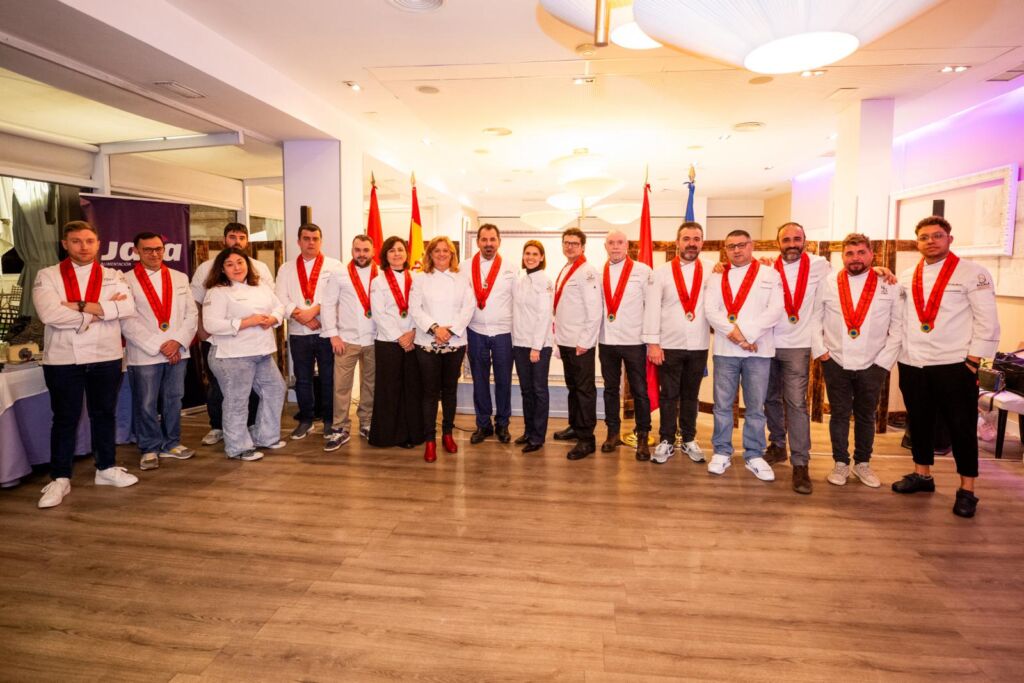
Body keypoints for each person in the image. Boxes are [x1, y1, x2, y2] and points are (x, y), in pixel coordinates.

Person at [893, 215, 1000, 518]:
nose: (931, 241)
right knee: (920, 422)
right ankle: (922, 475)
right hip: (913, 362)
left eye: (937, 235)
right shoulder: (905, 275)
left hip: (954, 364)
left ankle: (967, 490)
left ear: (950, 239)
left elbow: (987, 321)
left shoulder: (972, 273)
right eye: (924, 237)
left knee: (961, 427)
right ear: (918, 242)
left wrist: (974, 360)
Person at [33, 220, 138, 509]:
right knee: (65, 418)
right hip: (63, 358)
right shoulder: (48, 275)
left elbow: (127, 308)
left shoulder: (113, 275)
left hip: (106, 355)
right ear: (65, 244)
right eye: (76, 241)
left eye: (89, 240)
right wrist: (102, 310)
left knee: (104, 414)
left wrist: (76, 305)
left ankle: (106, 468)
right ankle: (60, 478)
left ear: (98, 243)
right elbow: (49, 314)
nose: (83, 246)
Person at [811, 233, 903, 488]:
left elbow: (898, 327)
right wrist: (822, 354)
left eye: (861, 252)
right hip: (835, 361)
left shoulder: (889, 284)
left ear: (872, 255)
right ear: (843, 256)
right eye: (850, 253)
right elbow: (814, 319)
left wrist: (883, 363)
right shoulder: (827, 282)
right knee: (839, 415)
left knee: (865, 415)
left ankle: (863, 463)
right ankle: (840, 463)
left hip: (873, 364)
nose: (855, 258)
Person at [705, 229, 784, 482]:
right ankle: (722, 451)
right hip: (726, 351)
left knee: (755, 407)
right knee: (723, 405)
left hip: (758, 351)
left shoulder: (770, 274)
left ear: (752, 246)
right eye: (731, 247)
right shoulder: (717, 276)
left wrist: (748, 335)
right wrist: (738, 336)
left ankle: (754, 454)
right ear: (725, 250)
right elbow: (711, 310)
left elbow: (775, 310)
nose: (737, 250)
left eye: (741, 245)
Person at [762, 222, 831, 494]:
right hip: (766, 344)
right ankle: (778, 446)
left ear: (805, 240)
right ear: (777, 242)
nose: (792, 244)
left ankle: (801, 464)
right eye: (786, 239)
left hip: (797, 346)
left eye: (797, 239)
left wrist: (879, 271)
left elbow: (845, 282)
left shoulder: (820, 265)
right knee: (769, 399)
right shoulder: (765, 267)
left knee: (796, 403)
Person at [191, 222, 275, 447]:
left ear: (247, 241)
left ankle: (252, 425)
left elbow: (272, 301)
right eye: (232, 237)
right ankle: (218, 426)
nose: (236, 241)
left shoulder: (259, 267)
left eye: (241, 237)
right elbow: (196, 303)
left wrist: (271, 319)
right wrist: (202, 333)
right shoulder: (208, 269)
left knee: (256, 388)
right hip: (218, 340)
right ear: (224, 239)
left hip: (256, 342)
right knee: (220, 386)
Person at [121, 231, 199, 471]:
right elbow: (127, 320)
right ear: (136, 251)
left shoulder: (179, 277)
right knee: (146, 403)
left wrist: (176, 341)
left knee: (173, 399)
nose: (154, 254)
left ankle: (172, 443)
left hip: (178, 351)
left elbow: (191, 314)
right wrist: (159, 345)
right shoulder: (125, 281)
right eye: (147, 249)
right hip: (145, 353)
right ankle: (149, 447)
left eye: (158, 249)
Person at [202, 247, 287, 461]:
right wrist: (247, 322)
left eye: (240, 262)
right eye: (230, 264)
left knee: (275, 389)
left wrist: (273, 318)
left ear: (248, 264)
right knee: (236, 401)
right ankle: (238, 447)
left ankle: (265, 436)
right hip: (232, 355)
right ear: (222, 269)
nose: (236, 267)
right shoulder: (217, 291)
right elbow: (210, 324)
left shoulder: (260, 287)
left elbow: (280, 307)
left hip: (262, 352)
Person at [644, 221, 710, 465]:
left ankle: (689, 439)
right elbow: (651, 309)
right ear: (677, 242)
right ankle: (666, 440)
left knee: (691, 395)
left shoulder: (714, 270)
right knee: (669, 395)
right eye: (686, 238)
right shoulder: (660, 272)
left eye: (696, 239)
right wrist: (653, 343)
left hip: (698, 344)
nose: (691, 243)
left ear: (702, 242)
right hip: (668, 345)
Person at [409, 236, 475, 463]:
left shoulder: (461, 278)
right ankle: (430, 439)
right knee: (429, 392)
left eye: (445, 251)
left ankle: (447, 433)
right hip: (427, 341)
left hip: (454, 342)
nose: (441, 254)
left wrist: (451, 330)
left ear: (452, 254)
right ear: (430, 254)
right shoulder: (419, 279)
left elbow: (469, 307)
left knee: (449, 391)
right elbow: (414, 309)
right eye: (436, 251)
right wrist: (436, 328)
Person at [275, 223, 343, 440]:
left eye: (315, 238)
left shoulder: (335, 266)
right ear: (299, 241)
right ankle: (306, 419)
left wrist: (315, 312)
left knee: (328, 377)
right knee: (302, 378)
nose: (311, 242)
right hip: (298, 332)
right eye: (306, 238)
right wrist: (300, 315)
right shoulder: (286, 268)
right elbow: (280, 298)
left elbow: (339, 296)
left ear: (321, 241)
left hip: (326, 331)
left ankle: (329, 420)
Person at [598, 230, 654, 460]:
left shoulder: (643, 271)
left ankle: (642, 436)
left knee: (640, 390)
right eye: (611, 243)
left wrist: (652, 340)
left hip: (634, 341)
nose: (615, 246)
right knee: (611, 389)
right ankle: (613, 433)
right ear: (605, 246)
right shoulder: (597, 273)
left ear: (627, 245)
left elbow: (651, 307)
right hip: (606, 340)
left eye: (620, 242)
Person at [320, 234, 377, 451]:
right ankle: (340, 428)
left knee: (370, 384)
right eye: (357, 250)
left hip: (373, 339)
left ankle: (366, 422)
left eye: (365, 250)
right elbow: (327, 304)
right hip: (346, 340)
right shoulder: (339, 273)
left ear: (372, 251)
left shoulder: (381, 274)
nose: (361, 254)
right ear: (352, 250)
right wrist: (333, 334)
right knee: (341, 387)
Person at [367, 236, 424, 450]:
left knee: (411, 388)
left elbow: (422, 309)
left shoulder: (417, 278)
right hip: (388, 341)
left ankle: (412, 434)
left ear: (407, 253)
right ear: (385, 255)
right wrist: (400, 337)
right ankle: (388, 435)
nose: (397, 254)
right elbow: (379, 313)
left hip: (413, 339)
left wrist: (412, 333)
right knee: (389, 389)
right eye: (392, 250)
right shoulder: (378, 281)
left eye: (400, 249)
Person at [552, 227, 602, 460]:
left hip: (580, 344)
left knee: (584, 390)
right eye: (566, 242)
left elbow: (594, 311)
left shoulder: (587, 271)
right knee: (573, 388)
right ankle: (575, 426)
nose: (569, 246)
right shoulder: (566, 268)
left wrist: (585, 341)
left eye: (574, 243)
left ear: (583, 247)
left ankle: (587, 439)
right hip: (566, 341)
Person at [466, 224, 518, 445]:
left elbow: (518, 302)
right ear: (478, 241)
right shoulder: (464, 266)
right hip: (475, 331)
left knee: (504, 381)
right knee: (479, 380)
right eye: (484, 239)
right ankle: (483, 424)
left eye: (492, 240)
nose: (488, 244)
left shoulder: (511, 267)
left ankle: (503, 424)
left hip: (504, 333)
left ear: (499, 241)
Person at [512, 240, 554, 453]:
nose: (530, 257)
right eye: (527, 253)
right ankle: (528, 431)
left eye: (534, 254)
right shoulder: (520, 279)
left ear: (541, 257)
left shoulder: (544, 281)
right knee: (526, 390)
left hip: (538, 346)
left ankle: (538, 437)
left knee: (539, 390)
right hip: (519, 343)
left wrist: (536, 347)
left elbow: (544, 316)